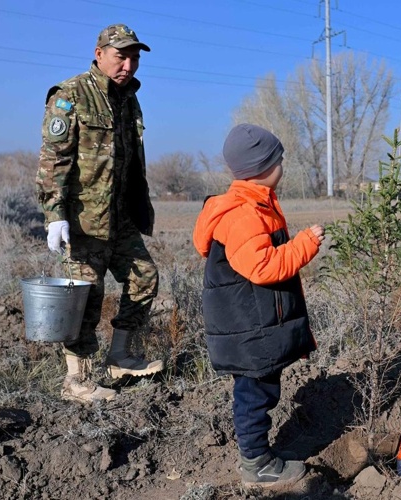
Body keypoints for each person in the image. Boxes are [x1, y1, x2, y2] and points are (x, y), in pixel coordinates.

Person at [193, 124, 325, 487]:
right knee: (254, 394)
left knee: (257, 391)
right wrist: (304, 245)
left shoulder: (255, 204)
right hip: (251, 329)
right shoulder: (244, 214)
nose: (283, 165)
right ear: (265, 167)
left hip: (251, 324)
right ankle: (257, 465)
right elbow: (263, 267)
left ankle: (256, 456)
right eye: (279, 159)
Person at [36, 24, 163, 403]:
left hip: (120, 217)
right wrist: (54, 214)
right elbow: (53, 161)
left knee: (144, 277)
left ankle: (120, 355)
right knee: (86, 298)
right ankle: (77, 381)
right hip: (83, 221)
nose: (128, 64)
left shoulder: (129, 99)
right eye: (121, 55)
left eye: (134, 57)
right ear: (98, 53)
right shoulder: (70, 96)